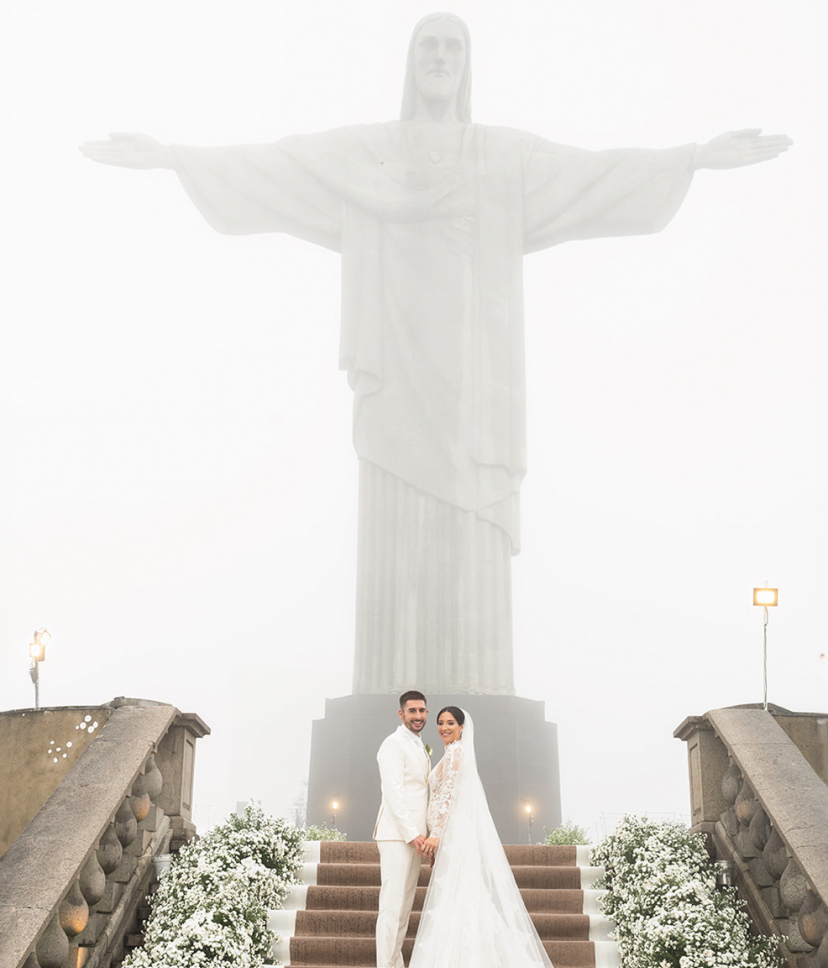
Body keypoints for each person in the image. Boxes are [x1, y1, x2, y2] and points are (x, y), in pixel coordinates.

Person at [78, 14, 793, 701]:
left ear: (467, 64)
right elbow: (281, 164)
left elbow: (594, 175)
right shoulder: (368, 154)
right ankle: (386, 701)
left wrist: (695, 157)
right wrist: (174, 156)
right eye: (430, 46)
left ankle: (477, 701)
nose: (442, 58)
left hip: (474, 378)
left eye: (454, 46)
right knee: (394, 522)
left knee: (470, 524)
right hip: (393, 365)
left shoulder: (501, 157)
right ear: (412, 63)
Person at [382, 705, 604, 968]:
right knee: (458, 908)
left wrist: (436, 835)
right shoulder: (447, 753)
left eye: (450, 723)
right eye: (440, 723)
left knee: (460, 906)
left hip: (450, 840)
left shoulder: (456, 755)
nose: (443, 728)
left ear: (461, 728)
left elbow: (448, 800)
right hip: (449, 843)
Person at [373, 691, 430, 968]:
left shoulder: (419, 745)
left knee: (404, 909)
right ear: (401, 714)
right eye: (412, 710)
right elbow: (393, 795)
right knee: (391, 907)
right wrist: (413, 833)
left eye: (422, 710)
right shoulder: (392, 745)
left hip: (415, 837)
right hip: (397, 835)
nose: (418, 715)